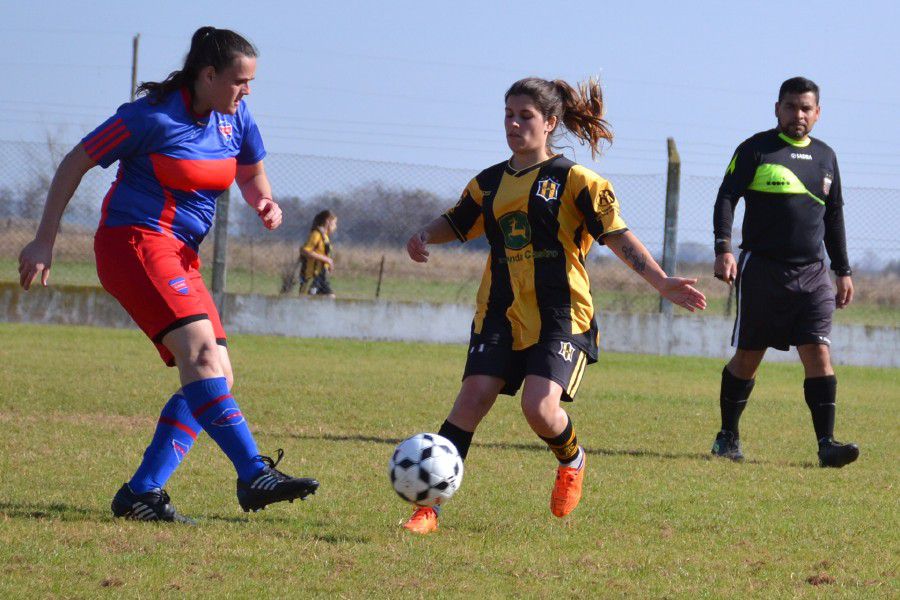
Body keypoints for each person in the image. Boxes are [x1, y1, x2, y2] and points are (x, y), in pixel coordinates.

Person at [17, 26, 319, 523]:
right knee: (201, 356)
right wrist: (45, 238)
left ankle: (142, 492)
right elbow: (75, 162)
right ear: (207, 75)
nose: (248, 91)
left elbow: (249, 172)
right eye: (240, 81)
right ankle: (253, 473)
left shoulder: (234, 116)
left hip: (181, 255)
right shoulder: (149, 118)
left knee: (216, 374)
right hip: (133, 243)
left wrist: (263, 200)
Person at [403, 77, 707, 534]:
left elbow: (616, 235)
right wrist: (425, 234)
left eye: (525, 115)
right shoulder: (488, 182)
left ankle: (572, 460)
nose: (514, 123)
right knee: (471, 401)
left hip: (561, 315)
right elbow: (457, 220)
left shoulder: (578, 181)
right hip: (500, 310)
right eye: (508, 114)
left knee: (539, 409)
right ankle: (430, 507)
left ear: (549, 122)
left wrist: (661, 281)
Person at [711, 76, 859, 468]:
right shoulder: (756, 149)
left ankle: (827, 444)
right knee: (748, 357)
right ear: (777, 108)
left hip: (813, 274)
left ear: (818, 113)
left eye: (806, 108)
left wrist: (842, 270)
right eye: (791, 106)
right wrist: (724, 249)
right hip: (762, 270)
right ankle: (728, 435)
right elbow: (727, 197)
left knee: (818, 353)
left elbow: (835, 215)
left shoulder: (827, 156)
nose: (798, 115)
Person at [298, 210, 337, 297]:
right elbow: (305, 250)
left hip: (322, 277)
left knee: (330, 298)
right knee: (307, 302)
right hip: (312, 276)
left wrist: (327, 265)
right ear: (327, 221)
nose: (335, 226)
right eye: (334, 223)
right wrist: (327, 260)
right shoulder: (316, 234)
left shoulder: (325, 237)